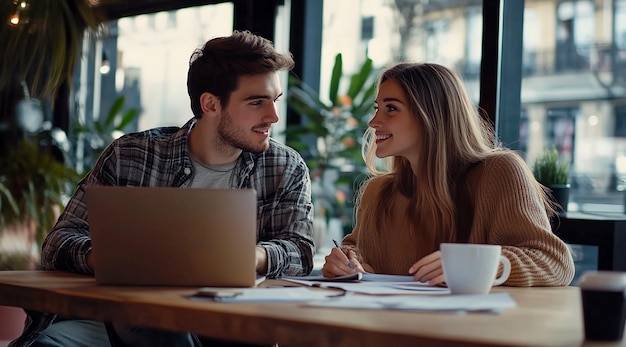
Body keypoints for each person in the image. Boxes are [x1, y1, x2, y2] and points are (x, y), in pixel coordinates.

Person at [11, 30, 314, 347]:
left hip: (224, 327)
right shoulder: (131, 155)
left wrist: (249, 257)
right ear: (210, 104)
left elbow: (301, 251)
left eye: (275, 101)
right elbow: (58, 242)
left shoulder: (284, 167)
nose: (273, 116)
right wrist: (106, 258)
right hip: (121, 319)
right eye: (256, 102)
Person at [322, 62, 575, 287]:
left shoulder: (500, 172)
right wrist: (344, 261)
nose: (374, 121)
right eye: (377, 108)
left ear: (431, 115)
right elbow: (358, 250)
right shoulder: (377, 192)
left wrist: (475, 265)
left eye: (391, 109)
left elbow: (555, 263)